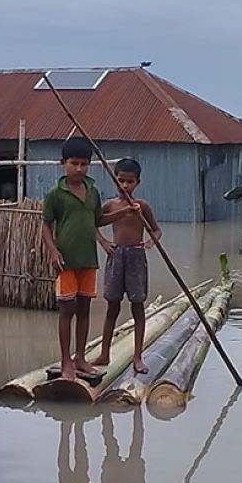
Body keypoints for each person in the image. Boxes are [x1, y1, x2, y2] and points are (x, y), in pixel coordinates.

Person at [41, 137, 134, 381]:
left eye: (84, 164)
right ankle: (65, 361)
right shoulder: (56, 194)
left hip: (88, 260)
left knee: (84, 310)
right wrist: (53, 251)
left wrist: (124, 212)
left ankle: (80, 357)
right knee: (66, 311)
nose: (79, 169)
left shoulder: (92, 191)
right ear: (63, 163)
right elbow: (46, 225)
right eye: (74, 163)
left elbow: (97, 221)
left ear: (89, 165)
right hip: (66, 261)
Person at [92, 158, 160, 374]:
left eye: (129, 182)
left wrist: (151, 241)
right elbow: (93, 223)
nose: (124, 186)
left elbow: (156, 229)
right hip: (116, 255)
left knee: (137, 305)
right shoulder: (111, 205)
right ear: (115, 180)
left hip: (136, 257)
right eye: (121, 180)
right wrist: (103, 242)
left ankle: (138, 357)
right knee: (112, 305)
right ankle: (104, 354)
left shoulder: (142, 207)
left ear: (137, 183)